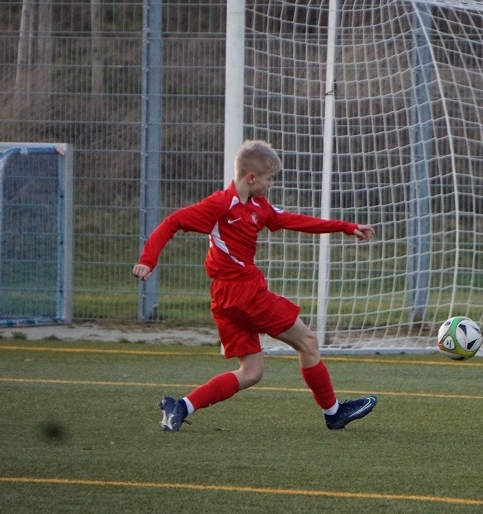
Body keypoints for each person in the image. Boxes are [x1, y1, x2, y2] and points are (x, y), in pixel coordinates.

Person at [133, 139, 377, 432]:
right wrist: (148, 259)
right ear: (251, 177)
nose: (271, 184)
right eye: (269, 178)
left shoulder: (258, 206)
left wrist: (346, 227)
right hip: (245, 293)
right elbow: (173, 222)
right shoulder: (221, 204)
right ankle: (333, 413)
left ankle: (181, 406)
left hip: (225, 298)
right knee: (308, 342)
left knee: (251, 372)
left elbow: (293, 220)